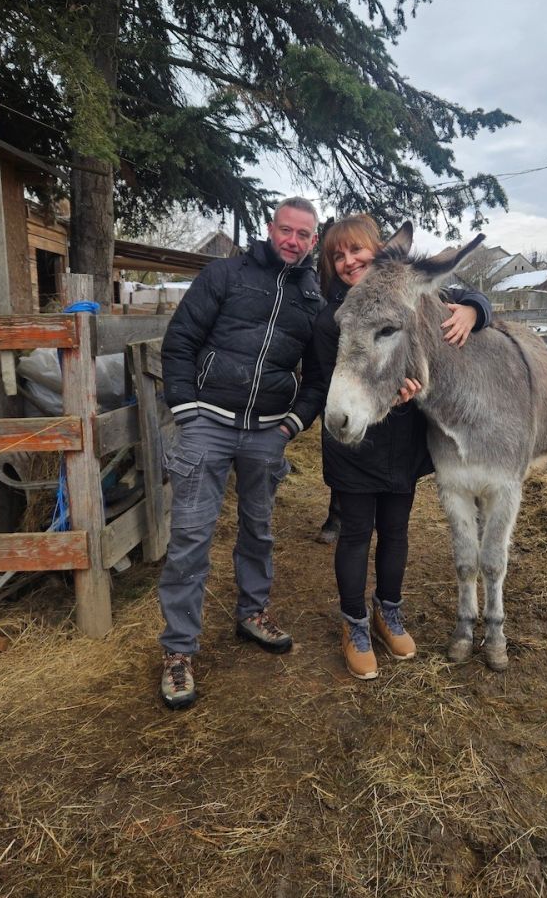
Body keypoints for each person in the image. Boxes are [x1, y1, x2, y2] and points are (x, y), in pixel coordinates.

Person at [157, 197, 325, 709]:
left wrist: (291, 425)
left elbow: (318, 379)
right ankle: (179, 650)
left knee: (259, 529)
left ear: (313, 241)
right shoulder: (225, 275)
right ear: (270, 228)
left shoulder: (312, 300)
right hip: (206, 424)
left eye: (303, 234)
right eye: (285, 229)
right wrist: (186, 409)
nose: (292, 240)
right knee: (190, 536)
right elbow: (180, 341)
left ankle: (252, 613)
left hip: (266, 433)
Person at [313, 215, 492, 680]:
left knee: (396, 531)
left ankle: (388, 612)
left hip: (403, 444)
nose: (349, 261)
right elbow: (334, 382)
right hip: (355, 445)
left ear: (378, 251)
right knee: (356, 533)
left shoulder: (406, 292)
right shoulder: (331, 315)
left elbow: (459, 297)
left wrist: (474, 310)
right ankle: (354, 624)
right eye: (338, 255)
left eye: (356, 250)